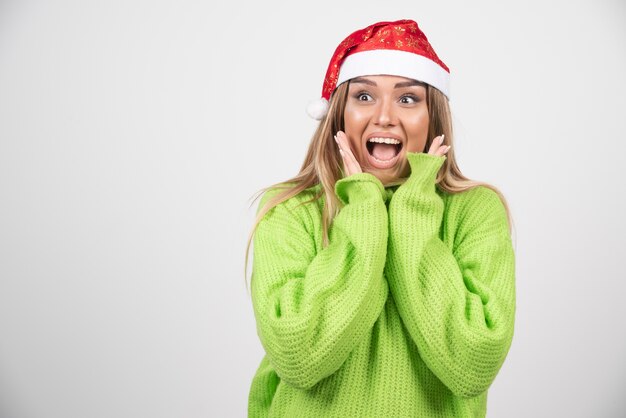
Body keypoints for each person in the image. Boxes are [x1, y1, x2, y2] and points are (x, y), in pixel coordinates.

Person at [244, 19, 516, 417]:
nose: (385, 117)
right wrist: (365, 212)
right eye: (365, 96)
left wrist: (412, 211)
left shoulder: (475, 210)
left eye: (407, 99)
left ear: (433, 118)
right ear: (339, 114)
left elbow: (473, 364)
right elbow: (298, 355)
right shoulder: (289, 208)